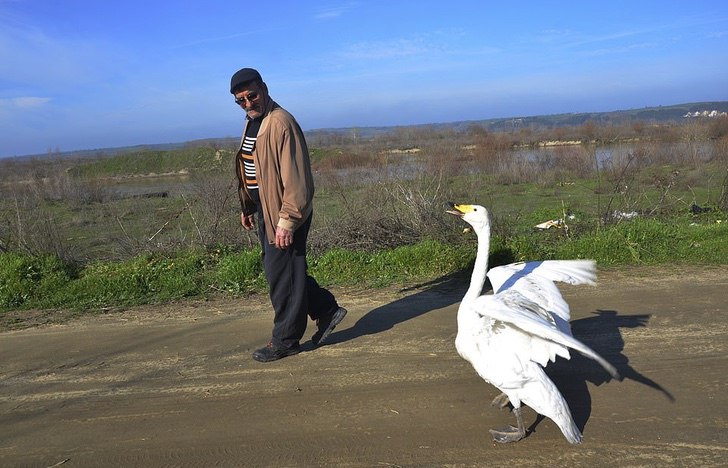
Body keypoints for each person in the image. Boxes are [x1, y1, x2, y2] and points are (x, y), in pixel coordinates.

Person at [230, 67, 347, 362]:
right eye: (240, 100)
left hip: (284, 215)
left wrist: (288, 222)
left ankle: (285, 339)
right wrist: (247, 206)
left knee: (281, 276)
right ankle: (325, 309)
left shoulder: (281, 122)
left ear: (264, 88)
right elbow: (252, 169)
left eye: (252, 96)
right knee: (285, 273)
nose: (248, 104)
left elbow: (298, 180)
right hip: (265, 211)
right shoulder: (253, 122)